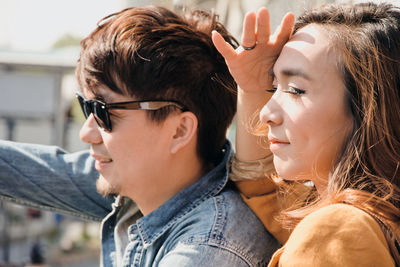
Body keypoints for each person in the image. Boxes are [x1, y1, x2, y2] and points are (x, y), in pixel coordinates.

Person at [0, 6, 282, 266]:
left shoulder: (206, 250)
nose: (87, 133)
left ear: (179, 130)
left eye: (102, 111)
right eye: (86, 107)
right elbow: (20, 171)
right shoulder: (154, 184)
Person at [212, 1, 400, 266]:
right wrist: (253, 87)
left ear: (367, 109)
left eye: (296, 90)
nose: (265, 114)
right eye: (274, 86)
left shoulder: (335, 231)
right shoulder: (370, 215)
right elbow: (262, 187)